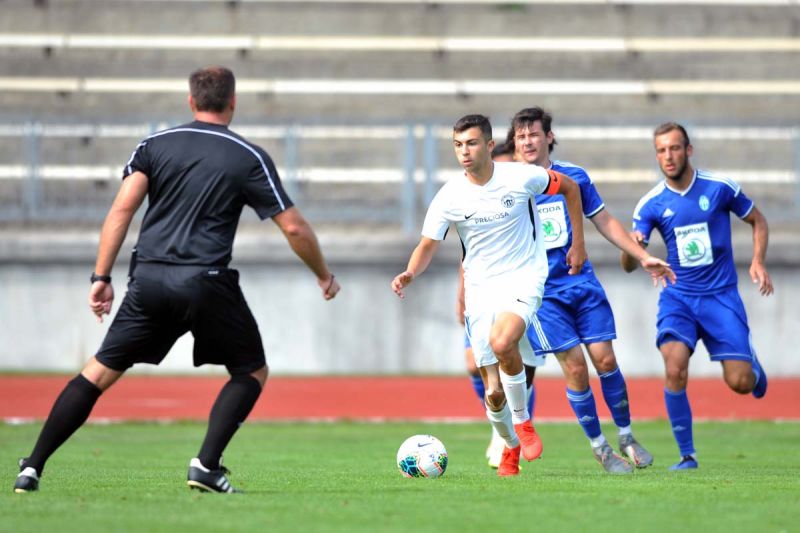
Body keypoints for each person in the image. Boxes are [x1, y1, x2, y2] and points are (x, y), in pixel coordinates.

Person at [13, 66, 340, 494]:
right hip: (206, 281)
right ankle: (205, 465)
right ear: (233, 102)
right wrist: (323, 274)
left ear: (191, 100)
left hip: (147, 279)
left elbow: (121, 210)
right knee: (250, 371)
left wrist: (101, 276)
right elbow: (294, 228)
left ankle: (32, 467)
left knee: (98, 373)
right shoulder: (247, 155)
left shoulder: (154, 145)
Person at [392, 114, 587, 476]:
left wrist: (578, 242)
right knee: (493, 391)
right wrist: (409, 272)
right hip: (481, 290)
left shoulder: (520, 176)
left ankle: (524, 425)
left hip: (524, 277)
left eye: (471, 143)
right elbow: (427, 244)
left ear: (487, 143)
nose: (464, 152)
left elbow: (571, 188)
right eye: (458, 145)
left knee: (503, 343)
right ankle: (510, 444)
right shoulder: (449, 196)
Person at [510, 107, 676, 473]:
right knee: (576, 369)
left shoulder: (574, 176)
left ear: (548, 137)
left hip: (582, 283)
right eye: (521, 136)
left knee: (605, 360)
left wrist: (642, 255)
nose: (527, 141)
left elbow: (603, 219)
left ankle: (627, 435)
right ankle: (600, 448)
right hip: (543, 294)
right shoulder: (508, 186)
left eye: (533, 134)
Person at [621, 122, 771, 470]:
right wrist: (635, 249)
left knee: (740, 383)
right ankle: (687, 456)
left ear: (688, 150)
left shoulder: (719, 188)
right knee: (674, 367)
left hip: (720, 297)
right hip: (679, 298)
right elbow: (629, 264)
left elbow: (758, 221)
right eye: (661, 150)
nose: (667, 156)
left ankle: (753, 369)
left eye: (674, 148)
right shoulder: (651, 204)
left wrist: (758, 261)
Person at [457, 141, 539, 469]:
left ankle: (511, 432)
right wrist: (461, 289)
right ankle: (500, 420)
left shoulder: (523, 191)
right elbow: (468, 248)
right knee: (473, 362)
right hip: (481, 291)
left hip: (519, 289)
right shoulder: (470, 194)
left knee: (516, 358)